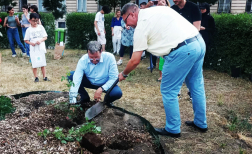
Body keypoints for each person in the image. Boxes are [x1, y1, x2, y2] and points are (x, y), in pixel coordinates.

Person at [118, 3, 207, 137]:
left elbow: (135, 60)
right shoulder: (156, 10)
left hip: (182, 50)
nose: (128, 25)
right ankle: (201, 123)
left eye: (126, 20)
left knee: (168, 90)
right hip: (198, 43)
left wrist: (123, 74)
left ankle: (173, 128)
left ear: (132, 14)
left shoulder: (141, 25)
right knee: (196, 85)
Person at [68, 41, 122, 106]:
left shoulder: (109, 58)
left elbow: (114, 78)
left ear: (101, 51)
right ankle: (84, 98)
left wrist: (101, 89)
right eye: (91, 58)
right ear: (87, 52)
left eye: (96, 57)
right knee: (71, 75)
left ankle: (106, 102)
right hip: (89, 82)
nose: (94, 60)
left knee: (117, 93)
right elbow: (77, 78)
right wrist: (72, 98)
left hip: (105, 83)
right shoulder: (83, 60)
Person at [171, 0, 202, 99]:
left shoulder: (193, 7)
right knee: (177, 69)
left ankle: (192, 93)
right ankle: (177, 92)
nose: (174, 0)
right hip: (177, 44)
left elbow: (196, 28)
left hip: (191, 43)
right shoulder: (173, 9)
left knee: (192, 72)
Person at [24, 13, 49, 82]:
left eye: (36, 21)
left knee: (42, 63)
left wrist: (40, 40)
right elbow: (26, 40)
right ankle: (36, 77)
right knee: (34, 63)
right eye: (33, 21)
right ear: (30, 20)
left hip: (40, 47)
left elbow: (45, 37)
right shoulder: (29, 30)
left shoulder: (41, 27)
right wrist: (31, 43)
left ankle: (45, 77)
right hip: (33, 48)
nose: (35, 22)